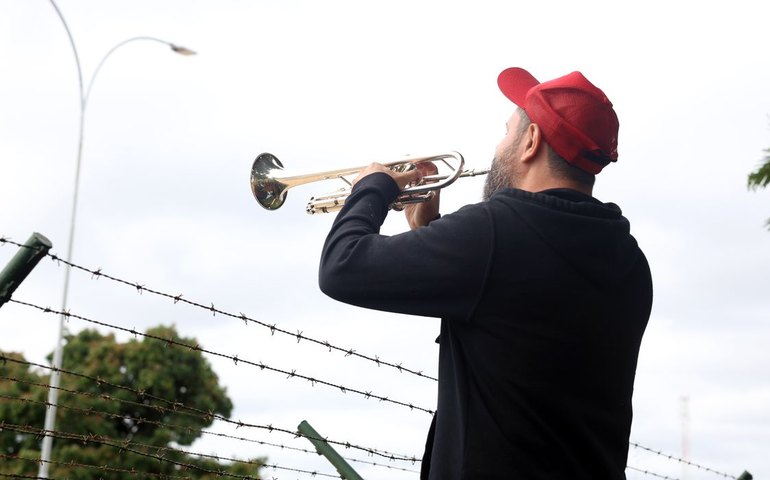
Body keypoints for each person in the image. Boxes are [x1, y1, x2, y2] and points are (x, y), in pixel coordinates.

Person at [318, 67, 653, 480]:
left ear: (531, 141)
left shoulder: (496, 232)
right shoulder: (628, 259)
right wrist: (428, 230)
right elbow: (513, 324)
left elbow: (342, 266)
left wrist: (372, 187)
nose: (498, 147)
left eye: (506, 132)